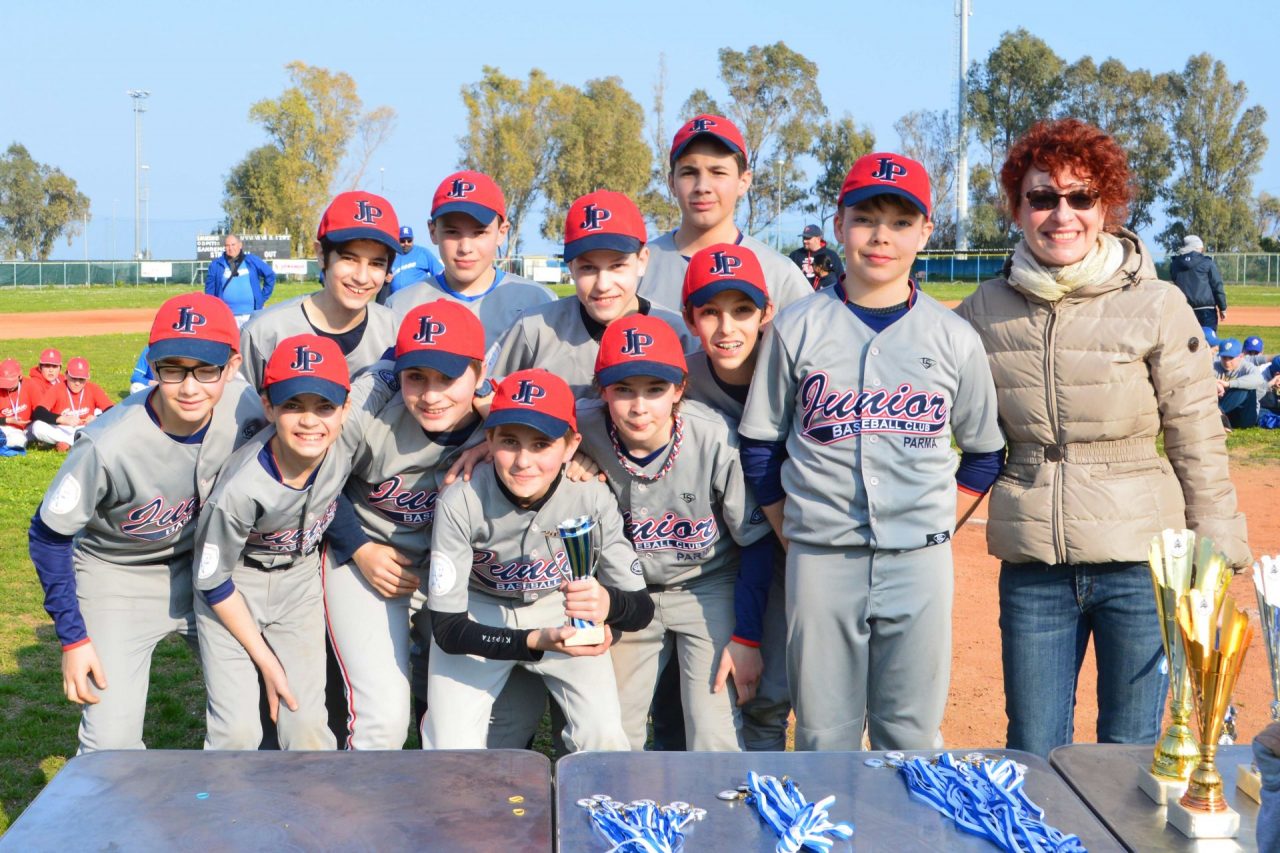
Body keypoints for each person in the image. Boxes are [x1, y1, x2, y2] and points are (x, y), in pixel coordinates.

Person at [954, 118, 1250, 759]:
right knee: (1033, 750)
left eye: (1080, 196)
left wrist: (1218, 545)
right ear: (1018, 208)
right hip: (1034, 565)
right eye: (1042, 197)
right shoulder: (981, 310)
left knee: (1129, 753)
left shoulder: (1158, 303)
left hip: (1140, 563)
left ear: (1106, 206)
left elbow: (1196, 433)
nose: (1062, 214)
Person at [740, 151, 1005, 751]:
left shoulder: (953, 337)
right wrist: (794, 534)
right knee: (823, 735)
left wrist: (936, 523)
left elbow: (985, 453)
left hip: (920, 561)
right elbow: (760, 445)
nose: (882, 236)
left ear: (925, 232)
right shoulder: (797, 327)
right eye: (865, 219)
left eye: (901, 221)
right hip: (820, 558)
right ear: (839, 225)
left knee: (910, 736)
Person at [27, 292, 266, 753]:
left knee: (243, 727)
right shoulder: (107, 444)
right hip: (118, 576)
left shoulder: (248, 409)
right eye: (173, 369)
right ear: (152, 365)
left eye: (206, 369)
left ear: (233, 366)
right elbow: (48, 535)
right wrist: (73, 638)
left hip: (209, 572)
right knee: (109, 746)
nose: (189, 387)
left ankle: (229, 798)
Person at [323, 301, 540, 750]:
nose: (431, 394)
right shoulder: (370, 403)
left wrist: (500, 438)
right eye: (416, 376)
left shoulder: (503, 416)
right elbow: (314, 481)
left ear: (480, 373)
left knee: (474, 719)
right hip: (368, 555)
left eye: (447, 377)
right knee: (382, 719)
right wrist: (359, 547)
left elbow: (568, 451)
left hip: (456, 568)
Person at [423, 369, 653, 751]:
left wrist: (608, 603)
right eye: (509, 441)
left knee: (604, 737)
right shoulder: (460, 498)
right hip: (480, 609)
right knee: (451, 746)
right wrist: (532, 641)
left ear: (571, 446)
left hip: (560, 609)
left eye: (542, 444)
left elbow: (640, 608)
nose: (523, 461)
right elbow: (448, 630)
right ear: (489, 439)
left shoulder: (590, 495)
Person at [575, 315, 773, 751]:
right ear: (601, 390)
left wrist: (746, 637)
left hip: (708, 585)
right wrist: (561, 454)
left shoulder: (715, 437)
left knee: (713, 730)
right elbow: (510, 424)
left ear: (680, 388)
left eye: (655, 389)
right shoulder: (580, 426)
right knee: (613, 730)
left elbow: (756, 544)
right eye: (622, 389)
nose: (639, 407)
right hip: (626, 591)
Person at [194, 334, 389, 750]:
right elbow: (212, 581)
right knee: (237, 733)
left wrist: (484, 421)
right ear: (269, 407)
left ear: (345, 408)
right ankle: (228, 794)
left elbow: (391, 366)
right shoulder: (239, 491)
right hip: (235, 586)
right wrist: (267, 662)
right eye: (293, 406)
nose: (310, 421)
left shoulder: (345, 431)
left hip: (299, 581)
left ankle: (311, 795)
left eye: (324, 406)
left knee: (306, 727)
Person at [680, 243, 791, 751]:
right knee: (741, 690)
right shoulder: (678, 382)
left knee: (782, 687)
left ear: (766, 312)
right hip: (724, 556)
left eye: (742, 310)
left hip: (793, 543)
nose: (727, 328)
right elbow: (602, 415)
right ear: (689, 317)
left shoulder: (794, 369)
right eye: (710, 312)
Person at [488, 190, 695, 399]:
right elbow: (489, 396)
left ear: (642, 261)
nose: (603, 285)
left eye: (617, 266)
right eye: (588, 268)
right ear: (571, 267)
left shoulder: (679, 334)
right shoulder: (535, 329)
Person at [638, 115, 812, 314]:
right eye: (689, 173)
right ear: (671, 183)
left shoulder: (780, 274)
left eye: (718, 172)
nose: (702, 187)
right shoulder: (636, 267)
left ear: (743, 181)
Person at [240, 191, 402, 392]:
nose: (361, 277)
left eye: (376, 263)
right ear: (321, 254)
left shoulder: (396, 331)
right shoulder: (265, 332)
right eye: (349, 259)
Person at [386, 171, 554, 343]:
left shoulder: (538, 303)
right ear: (433, 231)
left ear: (501, 232)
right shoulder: (401, 307)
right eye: (452, 232)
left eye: (479, 232)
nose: (465, 248)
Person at [28, 357, 114, 451]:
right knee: (37, 427)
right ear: (66, 375)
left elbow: (112, 410)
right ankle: (80, 441)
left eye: (81, 379)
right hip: (63, 429)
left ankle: (69, 442)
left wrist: (97, 418)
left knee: (108, 421)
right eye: (74, 378)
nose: (77, 383)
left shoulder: (93, 388)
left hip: (86, 427)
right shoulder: (57, 388)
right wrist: (62, 419)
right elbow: (39, 412)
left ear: (88, 377)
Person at [205, 234, 277, 327]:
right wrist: (214, 310)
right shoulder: (216, 265)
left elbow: (270, 275)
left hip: (252, 314)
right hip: (228, 316)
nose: (230, 248)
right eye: (227, 245)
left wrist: (262, 298)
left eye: (233, 244)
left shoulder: (251, 260)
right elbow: (209, 292)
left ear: (240, 245)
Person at [1169, 234, 1227, 331]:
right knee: (1208, 338)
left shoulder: (1174, 265)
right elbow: (1217, 286)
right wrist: (1222, 307)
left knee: (1187, 338)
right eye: (1201, 248)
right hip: (1206, 310)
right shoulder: (1207, 263)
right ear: (1196, 247)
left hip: (1184, 309)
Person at [1215, 338, 1267, 430]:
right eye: (1224, 357)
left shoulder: (1247, 367)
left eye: (1231, 358)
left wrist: (1228, 384)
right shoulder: (1215, 366)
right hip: (1227, 413)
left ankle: (1217, 414)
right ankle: (1220, 416)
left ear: (1241, 356)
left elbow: (1258, 379)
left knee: (1245, 388)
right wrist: (1215, 385)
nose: (1227, 362)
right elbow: (1202, 379)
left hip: (1244, 417)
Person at [385, 225, 444, 298]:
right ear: (398, 240)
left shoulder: (423, 252)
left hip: (420, 299)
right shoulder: (393, 256)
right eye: (402, 241)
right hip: (397, 300)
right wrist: (386, 279)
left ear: (413, 239)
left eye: (409, 240)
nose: (406, 243)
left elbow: (440, 274)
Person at [788, 224, 844, 291]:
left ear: (818, 239)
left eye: (808, 238)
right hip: (801, 295)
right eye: (803, 238)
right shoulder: (795, 255)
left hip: (824, 295)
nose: (804, 241)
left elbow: (841, 279)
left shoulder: (831, 255)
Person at [1, 357, 39, 451]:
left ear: (20, 376)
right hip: (2, 426)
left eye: (10, 382)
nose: (7, 386)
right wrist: (8, 420)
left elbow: (40, 410)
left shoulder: (30, 385)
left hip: (23, 430)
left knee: (19, 441)